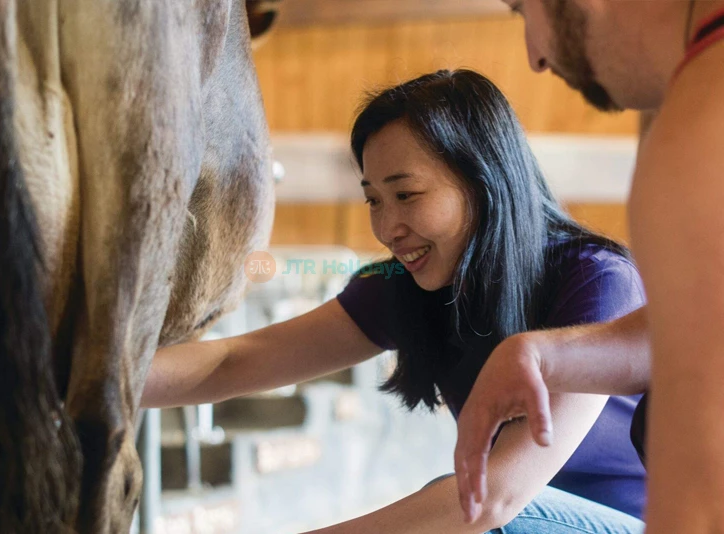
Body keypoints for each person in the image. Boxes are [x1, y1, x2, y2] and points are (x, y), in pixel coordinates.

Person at [143, 69, 646, 533]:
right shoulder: (406, 283)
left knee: (462, 509)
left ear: (484, 183)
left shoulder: (598, 280)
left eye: (406, 196)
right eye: (373, 200)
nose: (387, 228)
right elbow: (235, 362)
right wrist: (83, 380)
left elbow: (499, 496)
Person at [452, 2, 724, 533]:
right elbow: (697, 325)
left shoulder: (700, 128)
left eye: (521, 7)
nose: (535, 54)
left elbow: (703, 504)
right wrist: (543, 354)